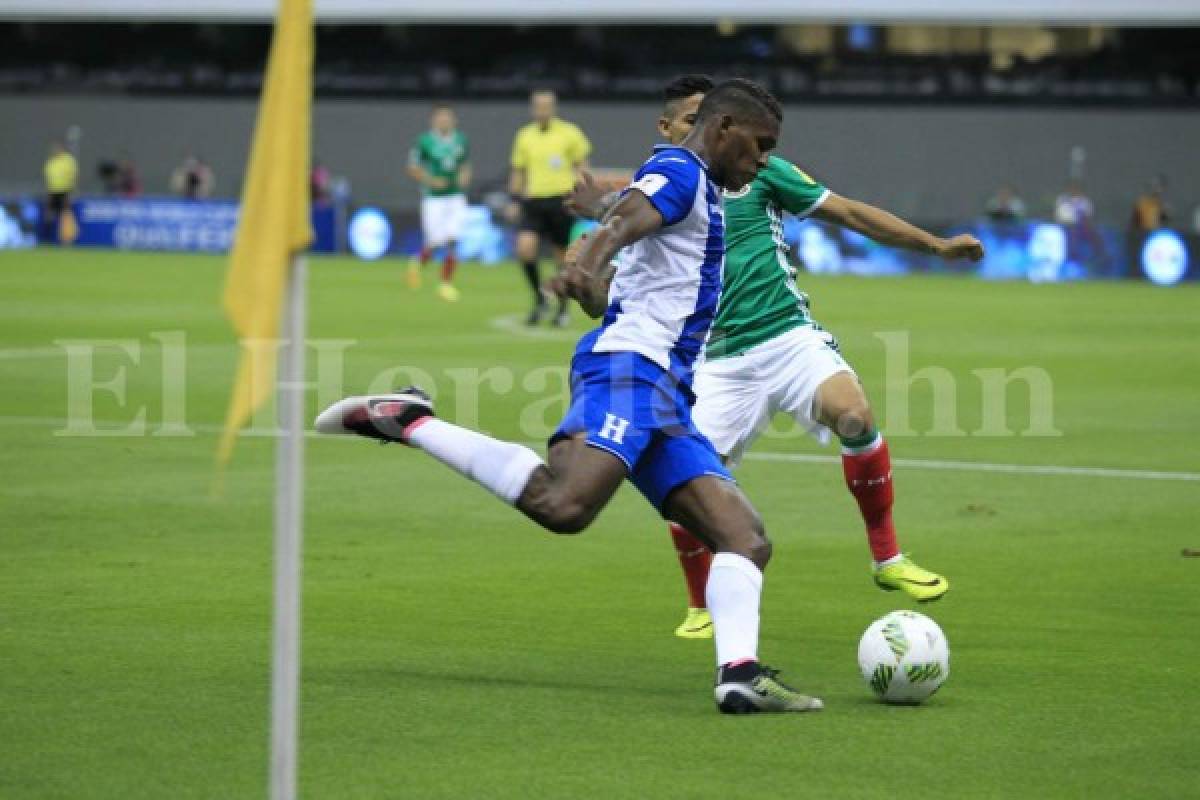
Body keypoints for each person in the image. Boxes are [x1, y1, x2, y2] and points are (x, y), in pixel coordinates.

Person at [317, 79, 823, 714]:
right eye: (759, 146)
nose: (762, 162)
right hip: (631, 376)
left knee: (744, 538)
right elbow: (628, 217)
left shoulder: (700, 194)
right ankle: (409, 420)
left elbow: (624, 288)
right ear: (723, 130)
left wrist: (592, 279)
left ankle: (739, 676)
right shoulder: (681, 171)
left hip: (664, 393)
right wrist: (591, 254)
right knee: (565, 504)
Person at [569, 75, 983, 639]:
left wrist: (934, 246)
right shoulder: (659, 191)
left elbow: (852, 214)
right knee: (691, 485)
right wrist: (591, 267)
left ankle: (888, 560)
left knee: (854, 413)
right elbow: (624, 284)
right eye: (689, 121)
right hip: (715, 359)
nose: (704, 131)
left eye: (707, 119)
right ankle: (701, 605)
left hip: (784, 334)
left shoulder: (758, 175)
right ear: (669, 129)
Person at [508, 89, 591, 326]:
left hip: (561, 201)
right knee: (525, 249)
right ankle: (539, 298)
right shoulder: (524, 136)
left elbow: (582, 166)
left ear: (553, 108)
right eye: (538, 106)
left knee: (561, 258)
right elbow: (518, 171)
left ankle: (562, 307)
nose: (542, 110)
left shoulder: (569, 133)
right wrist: (514, 199)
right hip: (534, 200)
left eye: (546, 106)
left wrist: (582, 194)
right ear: (532, 109)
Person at [406, 104, 471, 303]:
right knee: (434, 242)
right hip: (433, 198)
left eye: (447, 117)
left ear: (454, 120)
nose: (444, 121)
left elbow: (464, 164)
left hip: (455, 197)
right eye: (440, 117)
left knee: (452, 239)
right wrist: (431, 180)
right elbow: (412, 168)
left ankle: (445, 284)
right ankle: (416, 264)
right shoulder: (424, 142)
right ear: (433, 121)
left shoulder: (461, 140)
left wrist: (464, 176)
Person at [42, 141, 78, 245]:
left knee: (65, 216)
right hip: (53, 192)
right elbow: (48, 179)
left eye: (57, 148)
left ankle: (66, 240)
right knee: (49, 215)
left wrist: (72, 192)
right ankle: (47, 239)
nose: (55, 150)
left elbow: (73, 176)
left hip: (65, 191)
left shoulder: (68, 160)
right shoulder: (51, 162)